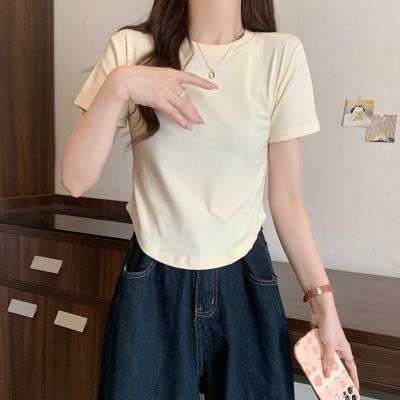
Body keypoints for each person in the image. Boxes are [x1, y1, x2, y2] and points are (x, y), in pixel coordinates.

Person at [61, 0, 360, 399]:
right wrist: (119, 84)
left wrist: (324, 308)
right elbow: (75, 179)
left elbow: (287, 197)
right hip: (152, 276)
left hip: (244, 276)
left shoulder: (280, 54)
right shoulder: (131, 49)